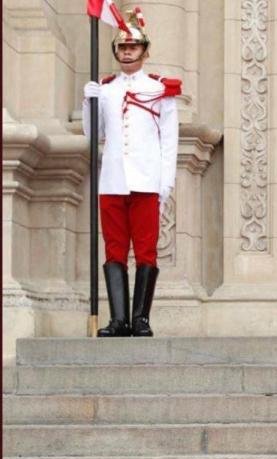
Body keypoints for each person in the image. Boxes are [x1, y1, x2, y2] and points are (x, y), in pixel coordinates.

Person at [82, 7, 180, 337]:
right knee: (114, 249)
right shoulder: (106, 88)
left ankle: (141, 319)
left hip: (145, 180)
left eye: (133, 47)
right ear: (116, 52)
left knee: (146, 249)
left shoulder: (158, 89)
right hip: (112, 180)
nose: (127, 52)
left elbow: (170, 141)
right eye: (122, 47)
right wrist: (88, 103)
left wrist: (165, 184)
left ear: (144, 51)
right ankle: (118, 319)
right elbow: (92, 134)